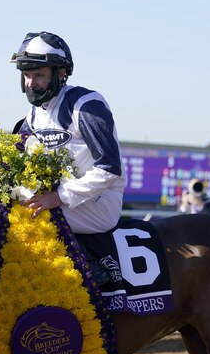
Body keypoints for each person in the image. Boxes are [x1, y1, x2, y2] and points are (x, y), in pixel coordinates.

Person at [10, 31, 127, 234]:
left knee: (30, 220)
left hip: (99, 203)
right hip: (60, 198)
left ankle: (99, 267)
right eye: (26, 75)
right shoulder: (33, 115)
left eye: (39, 75)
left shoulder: (87, 105)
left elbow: (110, 168)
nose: (30, 83)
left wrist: (59, 197)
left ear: (61, 74)